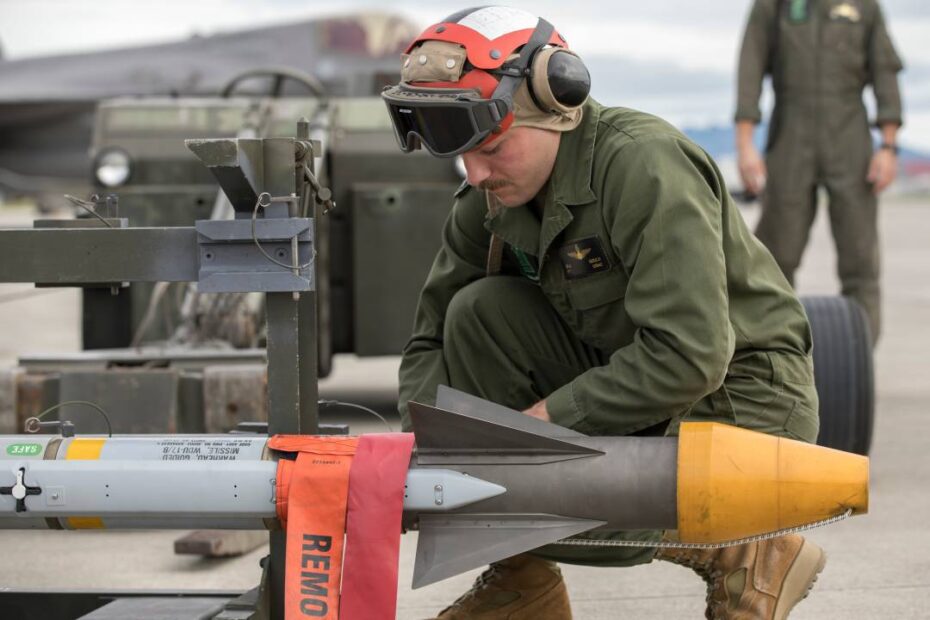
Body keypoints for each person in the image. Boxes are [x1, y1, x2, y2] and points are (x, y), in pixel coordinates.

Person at [384, 7, 822, 619]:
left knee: (510, 487)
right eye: (460, 155)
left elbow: (690, 356)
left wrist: (539, 428)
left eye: (493, 147)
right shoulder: (488, 201)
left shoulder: (645, 166)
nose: (476, 172)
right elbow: (429, 340)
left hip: (740, 402)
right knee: (477, 313)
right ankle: (523, 584)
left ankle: (745, 556)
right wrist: (426, 451)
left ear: (555, 104)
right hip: (629, 380)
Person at [736, 0, 904, 345]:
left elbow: (885, 72)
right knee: (773, 259)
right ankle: (773, 358)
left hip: (850, 139)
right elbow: (750, 68)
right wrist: (745, 145)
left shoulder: (864, 6)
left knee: (860, 261)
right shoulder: (774, 5)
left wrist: (888, 147)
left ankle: (859, 359)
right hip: (789, 139)